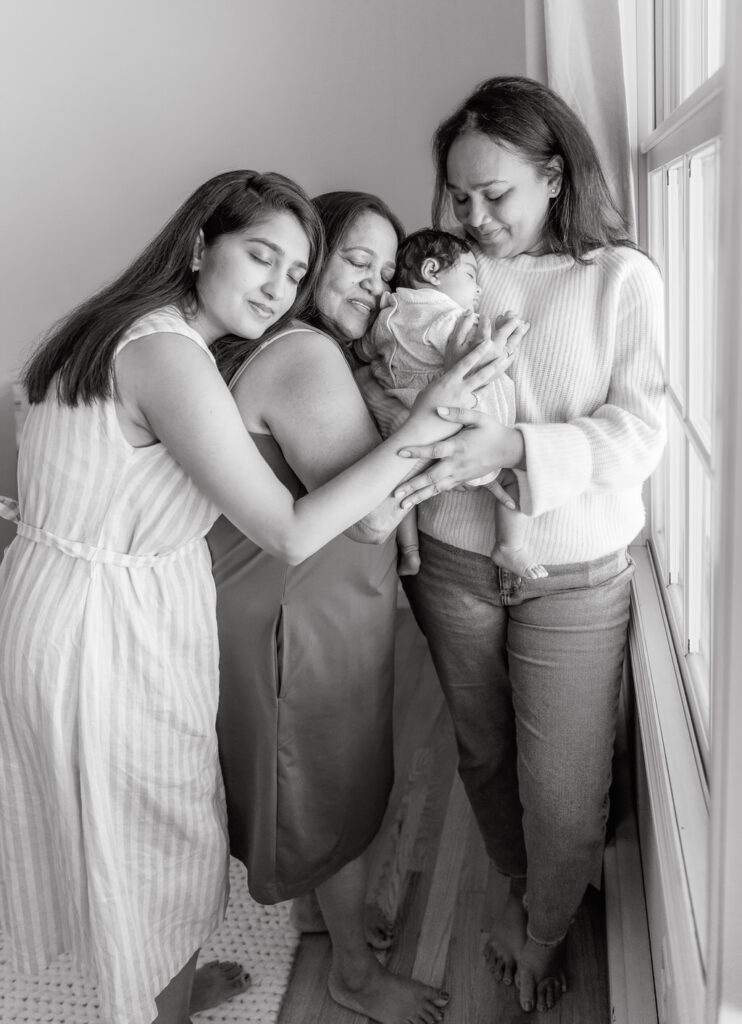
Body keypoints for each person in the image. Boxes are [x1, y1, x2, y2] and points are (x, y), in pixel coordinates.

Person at [0, 171, 497, 1024]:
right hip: (103, 625)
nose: (278, 286)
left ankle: (167, 985)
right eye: (262, 256)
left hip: (81, 597)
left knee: (149, 829)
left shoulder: (117, 328)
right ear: (199, 246)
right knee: (147, 841)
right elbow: (293, 531)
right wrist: (426, 424)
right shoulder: (168, 353)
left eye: (294, 272)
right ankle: (153, 1006)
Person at [368, 76, 666, 1014]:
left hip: (575, 571)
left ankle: (543, 925)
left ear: (553, 175)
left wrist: (515, 449)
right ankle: (521, 881)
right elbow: (383, 379)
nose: (474, 216)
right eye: (458, 196)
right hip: (454, 561)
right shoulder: (440, 275)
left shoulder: (619, 277)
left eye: (494, 194)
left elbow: (642, 433)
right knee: (485, 752)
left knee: (567, 783)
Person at [210, 191, 519, 1024]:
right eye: (356, 262)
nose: (378, 288)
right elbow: (374, 513)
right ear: (314, 256)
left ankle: (321, 912)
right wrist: (448, 400)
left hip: (307, 601)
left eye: (387, 272)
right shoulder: (305, 355)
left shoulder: (299, 347)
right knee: (330, 790)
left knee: (312, 782)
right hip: (301, 615)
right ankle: (353, 974)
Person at [355, 227, 540, 579]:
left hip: (409, 425)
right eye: (471, 276)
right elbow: (477, 361)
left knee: (404, 491)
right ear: (431, 272)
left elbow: (364, 351)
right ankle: (509, 546)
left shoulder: (385, 316)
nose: (479, 289)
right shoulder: (447, 317)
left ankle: (409, 550)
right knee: (517, 477)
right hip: (460, 424)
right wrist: (506, 335)